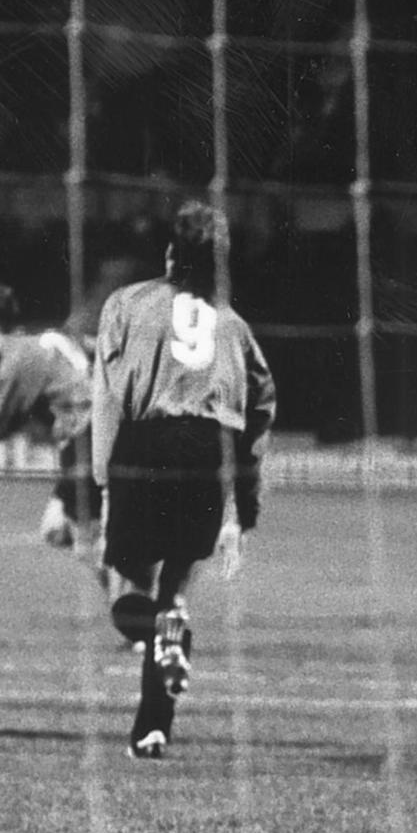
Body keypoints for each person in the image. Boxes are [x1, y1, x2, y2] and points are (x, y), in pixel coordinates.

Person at [90, 200, 277, 760]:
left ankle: (160, 643)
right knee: (174, 595)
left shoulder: (127, 303)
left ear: (170, 253)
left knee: (128, 595)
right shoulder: (235, 326)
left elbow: (109, 394)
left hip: (146, 444)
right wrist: (245, 507)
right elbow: (260, 412)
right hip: (208, 453)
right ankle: (152, 729)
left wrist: (105, 479)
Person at [0, 285, 103, 565]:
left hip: (85, 439)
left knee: (87, 545)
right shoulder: (52, 337)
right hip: (100, 429)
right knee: (55, 530)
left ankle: (134, 604)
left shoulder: (15, 362)